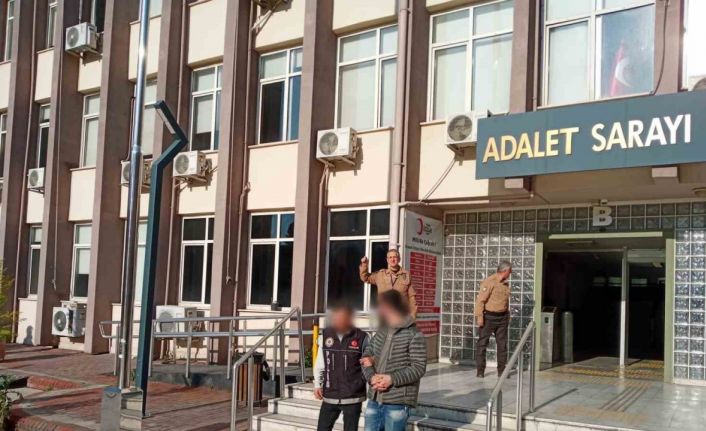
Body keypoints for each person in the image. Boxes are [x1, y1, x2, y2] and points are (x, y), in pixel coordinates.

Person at [360, 290, 426, 431]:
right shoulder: (382, 331)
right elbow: (366, 356)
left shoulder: (414, 334)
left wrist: (391, 379)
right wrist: (371, 377)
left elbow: (419, 367)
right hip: (375, 398)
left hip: (397, 401)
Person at [313, 303, 369, 431]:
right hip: (330, 395)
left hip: (353, 397)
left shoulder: (362, 337)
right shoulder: (326, 335)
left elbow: (368, 365)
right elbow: (320, 363)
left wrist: (360, 384)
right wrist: (317, 384)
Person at [474, 261, 512, 378]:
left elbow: (505, 301)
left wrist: (508, 316)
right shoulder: (489, 282)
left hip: (502, 318)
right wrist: (480, 317)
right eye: (510, 271)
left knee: (502, 345)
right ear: (505, 271)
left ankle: (502, 371)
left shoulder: (505, 283)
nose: (510, 273)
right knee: (482, 344)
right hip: (489, 318)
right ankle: (480, 371)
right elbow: (480, 301)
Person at [360, 249, 417, 317]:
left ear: (399, 259)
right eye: (390, 257)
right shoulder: (380, 275)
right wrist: (364, 264)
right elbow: (365, 277)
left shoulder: (407, 275)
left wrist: (412, 316)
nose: (392, 259)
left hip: (401, 315)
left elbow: (412, 297)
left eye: (395, 257)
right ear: (387, 260)